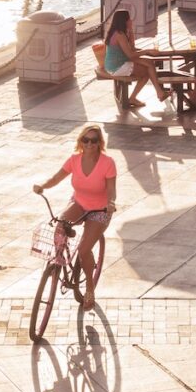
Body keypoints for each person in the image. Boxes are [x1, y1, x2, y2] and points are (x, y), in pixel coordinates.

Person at [33, 123, 117, 310]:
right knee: (60, 224)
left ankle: (89, 287)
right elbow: (56, 178)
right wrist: (43, 186)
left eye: (94, 140)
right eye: (85, 140)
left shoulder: (107, 163)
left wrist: (111, 203)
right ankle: (59, 259)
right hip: (79, 203)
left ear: (99, 143)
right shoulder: (74, 159)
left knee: (84, 251)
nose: (89, 144)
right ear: (80, 141)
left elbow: (111, 189)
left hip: (100, 210)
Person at [104, 9, 169, 106]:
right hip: (117, 66)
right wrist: (147, 51)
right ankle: (156, 93)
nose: (131, 21)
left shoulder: (117, 32)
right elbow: (131, 54)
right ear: (124, 20)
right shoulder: (119, 35)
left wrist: (130, 30)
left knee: (149, 64)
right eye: (129, 19)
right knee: (147, 71)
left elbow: (132, 48)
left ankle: (158, 92)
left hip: (117, 63)